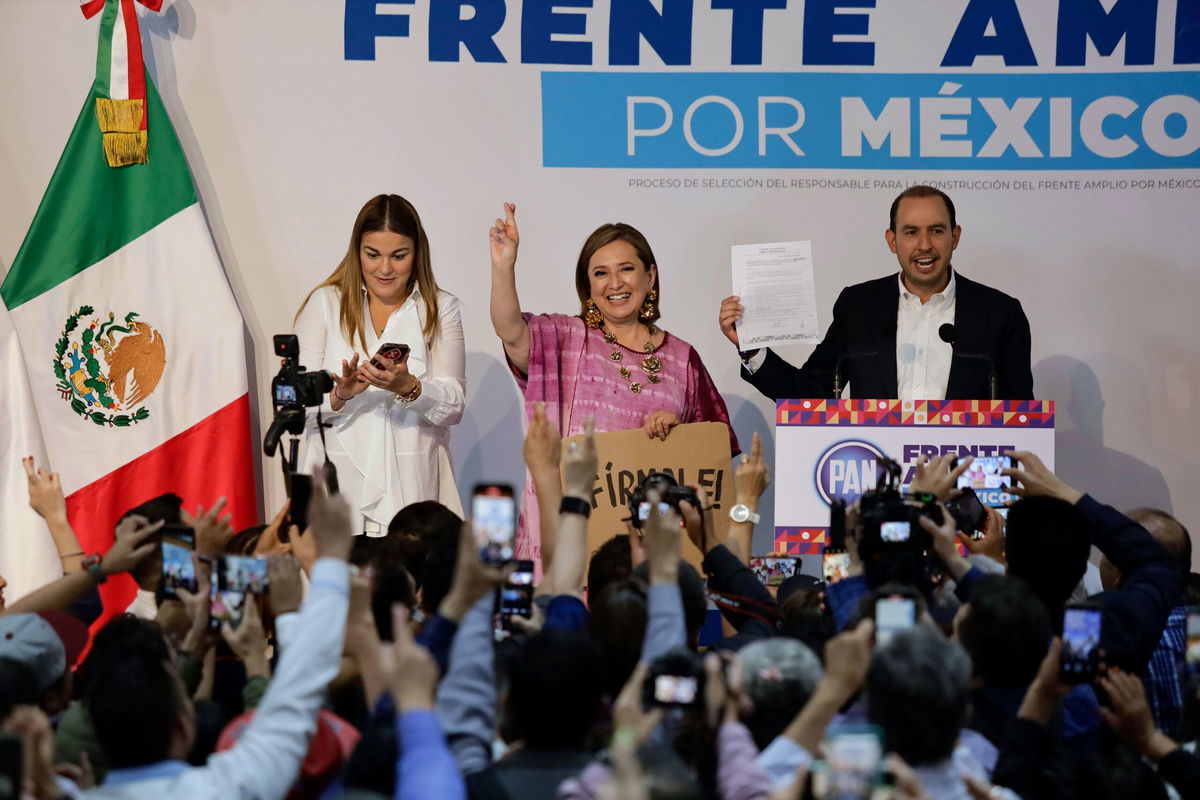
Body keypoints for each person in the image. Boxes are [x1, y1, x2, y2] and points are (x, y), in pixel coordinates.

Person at [489, 202, 737, 563]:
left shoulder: (683, 358)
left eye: (626, 269)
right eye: (601, 273)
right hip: (574, 543)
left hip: (656, 553)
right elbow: (510, 332)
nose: (615, 283)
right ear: (588, 285)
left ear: (650, 276)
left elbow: (710, 459)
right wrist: (503, 266)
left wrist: (678, 433)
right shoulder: (565, 338)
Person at [720, 185, 1034, 401]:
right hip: (877, 482)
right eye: (911, 232)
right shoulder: (858, 308)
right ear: (892, 241)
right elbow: (812, 394)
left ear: (955, 237)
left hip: (964, 488)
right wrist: (752, 349)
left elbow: (1021, 417)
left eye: (936, 231)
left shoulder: (1000, 314)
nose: (924, 245)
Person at [294, 194, 466, 535]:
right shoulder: (326, 303)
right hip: (336, 492)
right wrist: (338, 394)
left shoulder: (439, 308)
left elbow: (454, 406)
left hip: (413, 494)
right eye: (373, 255)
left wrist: (408, 388)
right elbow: (291, 404)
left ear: (417, 255)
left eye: (398, 256)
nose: (385, 269)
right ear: (357, 252)